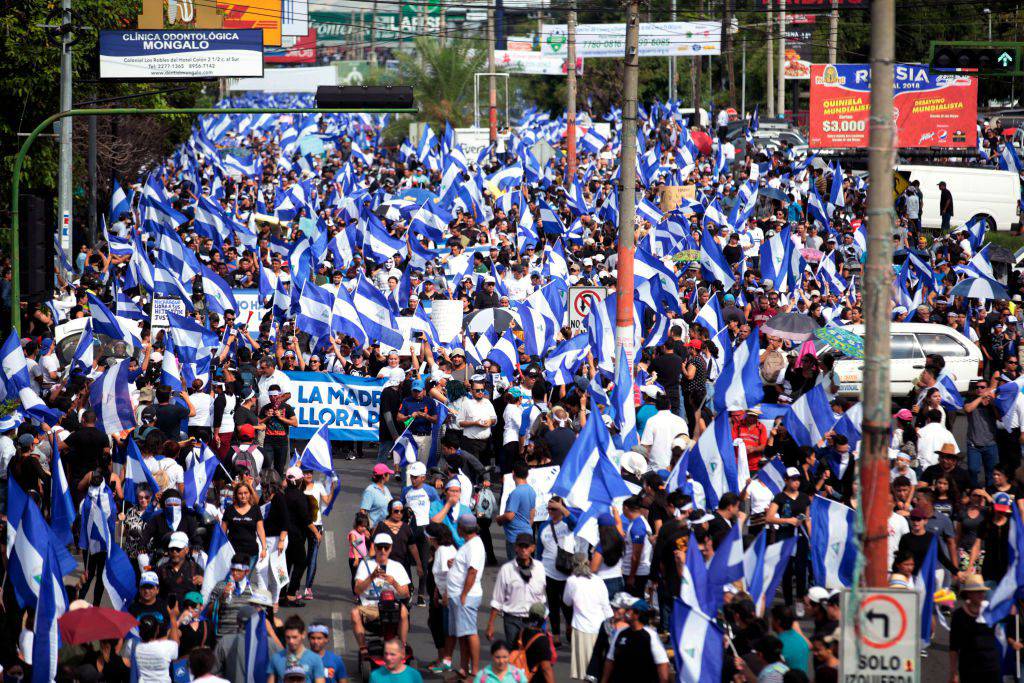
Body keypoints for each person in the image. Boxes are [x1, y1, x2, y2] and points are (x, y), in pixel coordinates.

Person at [352, 533, 412, 654]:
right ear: (375, 547)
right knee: (355, 613)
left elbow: (406, 594)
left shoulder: (397, 566)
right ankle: (363, 648)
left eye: (386, 547)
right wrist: (372, 577)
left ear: (390, 548)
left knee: (404, 611)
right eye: (380, 547)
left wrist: (393, 582)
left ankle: (402, 646)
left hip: (392, 607)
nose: (383, 551)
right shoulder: (365, 565)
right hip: (371, 607)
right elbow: (357, 590)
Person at [487, 532, 548, 645]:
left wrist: (545, 619)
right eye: (521, 546)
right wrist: (490, 624)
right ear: (516, 548)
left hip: (534, 621)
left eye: (527, 546)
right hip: (512, 620)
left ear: (533, 548)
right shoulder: (506, 569)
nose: (523, 549)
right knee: (514, 656)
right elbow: (497, 600)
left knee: (533, 656)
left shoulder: (540, 568)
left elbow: (542, 597)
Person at [447, 513, 486, 679]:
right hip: (459, 595)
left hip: (467, 596)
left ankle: (475, 669)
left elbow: (473, 571)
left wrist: (464, 594)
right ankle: (464, 667)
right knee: (462, 634)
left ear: (461, 528)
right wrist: (454, 563)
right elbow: (466, 567)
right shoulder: (469, 544)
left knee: (470, 632)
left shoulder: (475, 545)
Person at [563, 556, 612, 681]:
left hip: (581, 629)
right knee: (600, 668)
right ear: (588, 563)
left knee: (586, 671)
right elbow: (605, 604)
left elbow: (566, 601)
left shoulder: (571, 581)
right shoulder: (598, 580)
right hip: (600, 628)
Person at [598, 599, 670, 683]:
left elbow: (662, 663)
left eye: (629, 610)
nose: (626, 613)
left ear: (637, 614)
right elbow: (610, 660)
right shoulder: (620, 633)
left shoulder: (651, 635)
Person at [949, 575, 1001, 683]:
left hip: (991, 667)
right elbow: (954, 646)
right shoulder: (959, 615)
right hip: (969, 669)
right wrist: (953, 672)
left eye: (982, 591)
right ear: (969, 593)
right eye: (977, 591)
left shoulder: (990, 611)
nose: (981, 594)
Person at [268, 615, 327, 683]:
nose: (291, 641)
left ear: (303, 635)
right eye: (288, 637)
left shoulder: (315, 659)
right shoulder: (276, 658)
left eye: (294, 637)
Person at [497, 461, 536, 559]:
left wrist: (499, 519)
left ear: (513, 473)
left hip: (515, 537)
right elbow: (532, 514)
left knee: (515, 567)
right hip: (527, 534)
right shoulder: (531, 490)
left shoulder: (516, 493)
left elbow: (510, 516)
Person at [132, 611, 181, 683]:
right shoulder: (166, 646)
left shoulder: (134, 647)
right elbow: (176, 643)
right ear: (157, 630)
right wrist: (173, 619)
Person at [361, 463, 396, 528]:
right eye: (388, 474)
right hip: (375, 529)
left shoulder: (386, 489)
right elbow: (363, 511)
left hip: (388, 527)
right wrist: (364, 529)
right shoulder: (370, 490)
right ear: (383, 476)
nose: (389, 476)